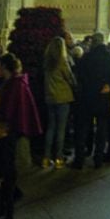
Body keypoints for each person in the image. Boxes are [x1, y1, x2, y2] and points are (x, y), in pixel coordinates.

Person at [0, 53, 42, 219]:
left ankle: (5, 215)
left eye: (0, 67)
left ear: (5, 68)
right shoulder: (11, 83)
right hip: (5, 136)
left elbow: (6, 115)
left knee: (5, 176)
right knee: (3, 176)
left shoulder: (15, 85)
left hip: (7, 136)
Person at [72, 34, 110, 169]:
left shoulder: (87, 57)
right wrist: (108, 85)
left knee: (83, 129)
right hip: (102, 98)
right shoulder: (109, 58)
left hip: (87, 97)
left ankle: (79, 159)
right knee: (101, 130)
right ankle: (98, 159)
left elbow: (79, 74)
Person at [43, 36, 76, 168]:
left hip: (50, 97)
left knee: (51, 127)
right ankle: (58, 158)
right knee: (61, 129)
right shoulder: (62, 61)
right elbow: (70, 78)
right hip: (62, 98)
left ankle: (46, 158)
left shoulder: (46, 62)